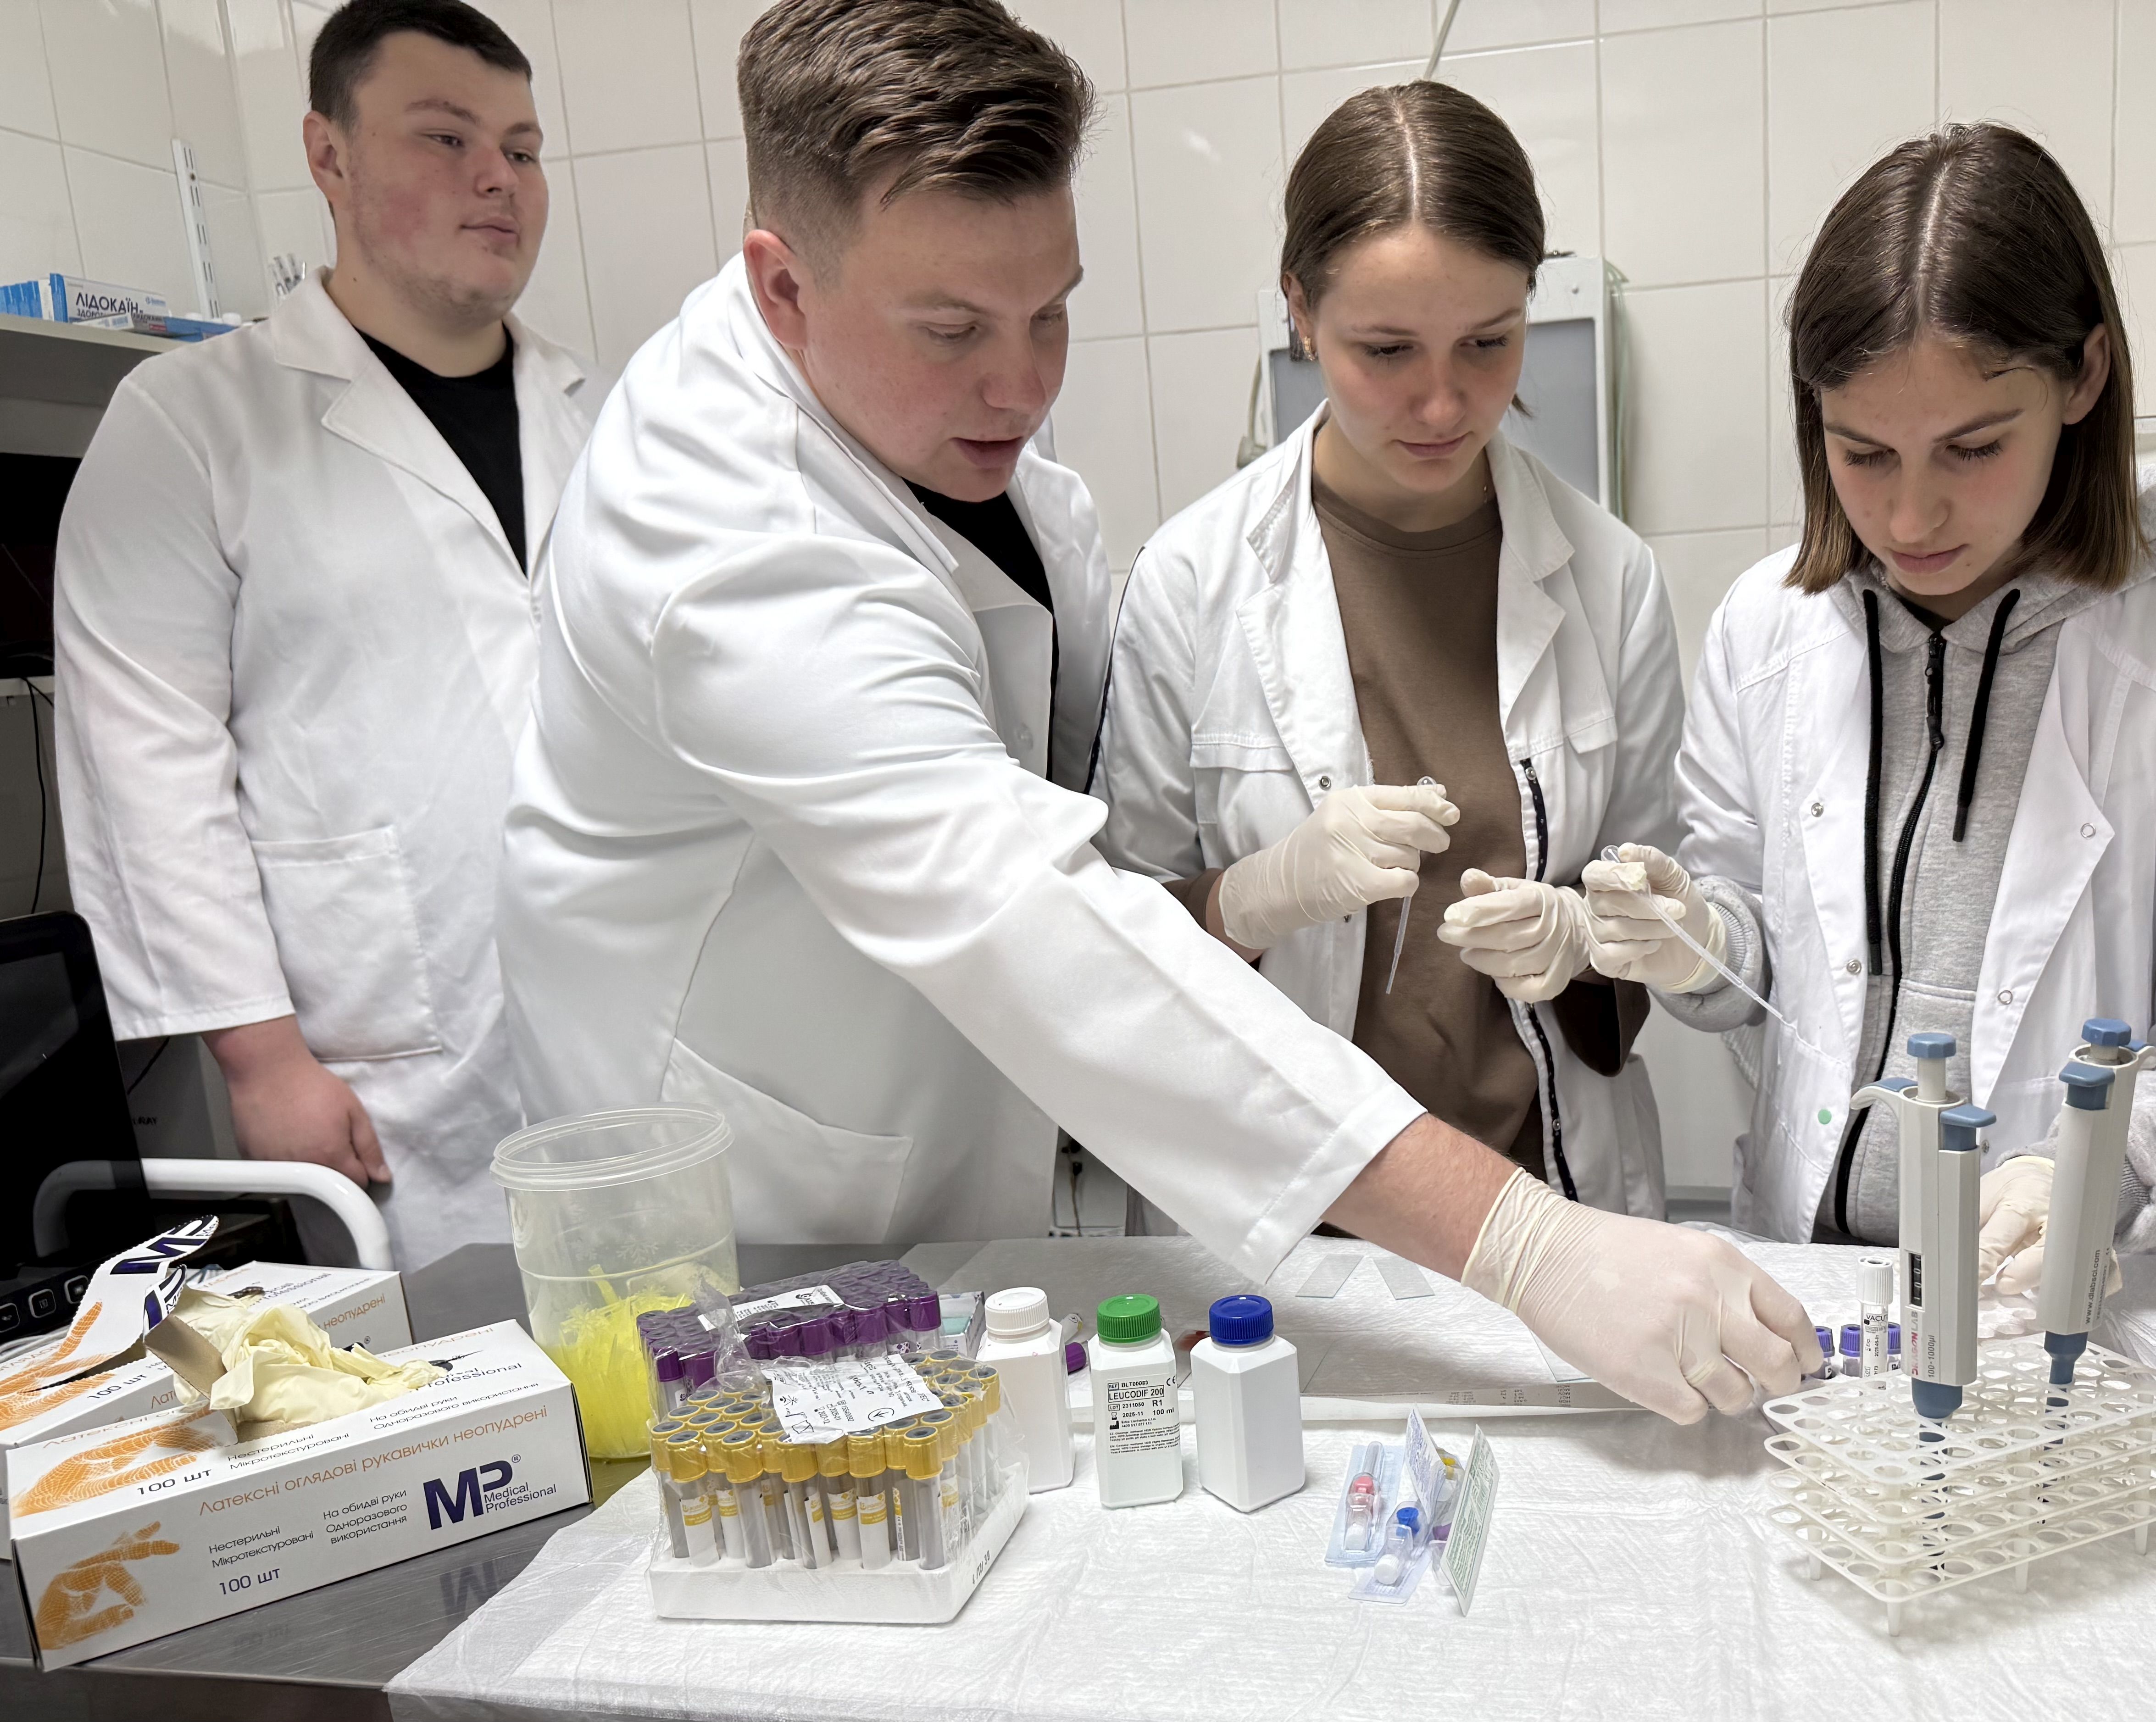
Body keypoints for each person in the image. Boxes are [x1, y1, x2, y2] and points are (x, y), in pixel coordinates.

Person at [496, 0, 1817, 1425]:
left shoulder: (940, 442)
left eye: (1051, 311)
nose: (1023, 385)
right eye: (951, 330)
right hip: (755, 1215)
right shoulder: (723, 541)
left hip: (962, 1179)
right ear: (782, 288)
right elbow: (1034, 913)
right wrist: (1525, 1243)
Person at [1597, 124, 2156, 1280]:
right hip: (1822, 1277)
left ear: (2083, 376)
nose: (1910, 519)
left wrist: (2104, 1166)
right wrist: (1698, 941)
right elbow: (1759, 960)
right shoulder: (1767, 630)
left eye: (1972, 447)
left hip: (2098, 1290)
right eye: (1863, 454)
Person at [53, 0, 602, 1270]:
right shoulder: (192, 420)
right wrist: (260, 1055)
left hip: (618, 1007)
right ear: (329, 155)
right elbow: (146, 757)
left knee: (655, 1343)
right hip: (381, 1049)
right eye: (445, 137)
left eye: (522, 150)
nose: (497, 179)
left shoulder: (600, 414)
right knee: (440, 1365)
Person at [1092, 83, 1681, 1220]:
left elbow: (1668, 925)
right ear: (1300, 312)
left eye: (1488, 343)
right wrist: (1253, 896)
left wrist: (1588, 938)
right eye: (1386, 349)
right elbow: (1117, 955)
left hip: (1547, 1201)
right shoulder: (1190, 580)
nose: (1443, 402)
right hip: (1288, 1215)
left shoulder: (1610, 579)